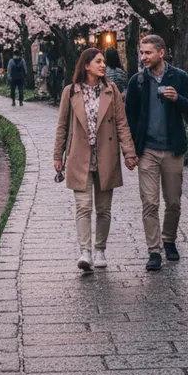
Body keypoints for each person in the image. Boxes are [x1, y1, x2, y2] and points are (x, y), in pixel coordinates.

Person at [54, 48, 138, 271]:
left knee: (103, 209)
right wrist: (58, 156)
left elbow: (122, 124)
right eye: (98, 62)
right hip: (78, 156)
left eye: (103, 61)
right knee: (83, 207)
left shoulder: (111, 91)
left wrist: (129, 153)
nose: (103, 65)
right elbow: (62, 126)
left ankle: (100, 248)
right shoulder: (70, 92)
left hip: (105, 155)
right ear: (86, 65)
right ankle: (85, 252)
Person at [124, 34, 188, 271]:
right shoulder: (137, 81)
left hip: (173, 149)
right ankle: (153, 250)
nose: (144, 57)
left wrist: (178, 99)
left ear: (161, 53)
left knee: (173, 201)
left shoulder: (180, 77)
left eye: (148, 53)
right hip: (148, 150)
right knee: (150, 202)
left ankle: (169, 240)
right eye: (141, 53)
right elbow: (129, 117)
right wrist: (130, 150)